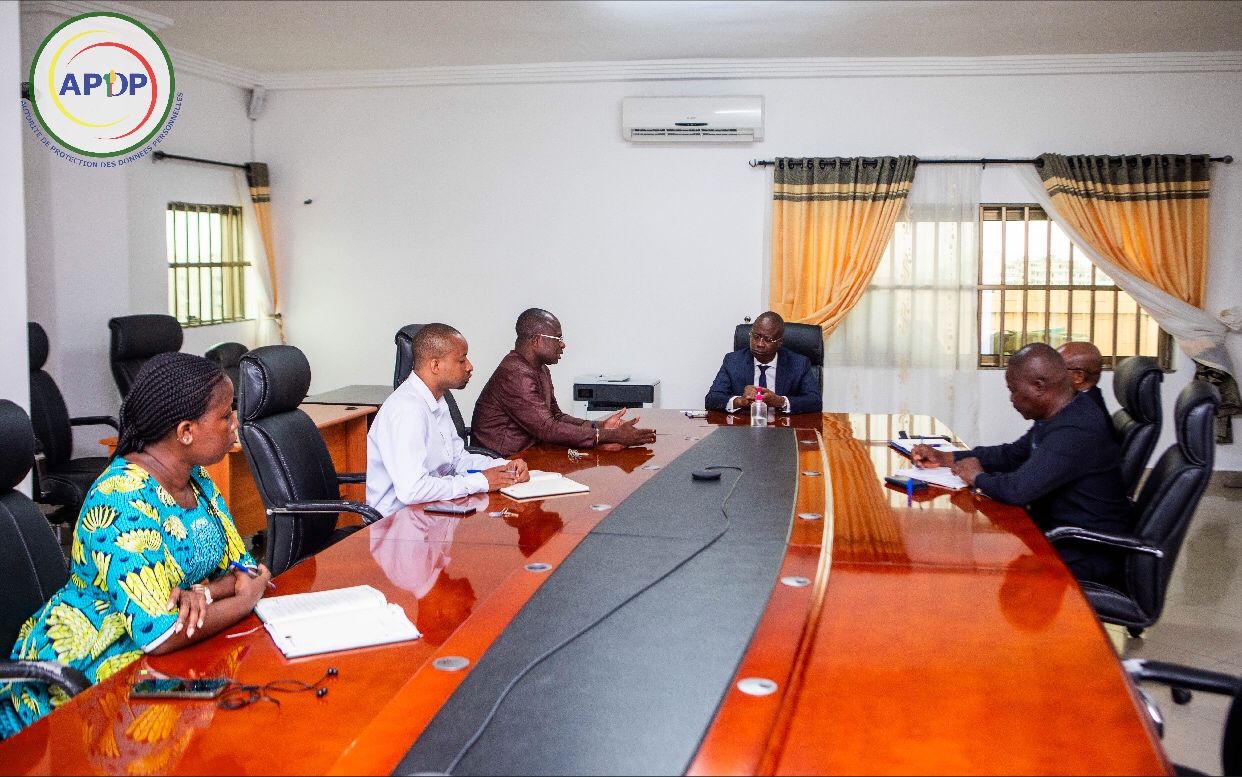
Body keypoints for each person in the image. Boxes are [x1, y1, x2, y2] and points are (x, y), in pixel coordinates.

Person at [1, 353, 271, 738]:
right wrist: (243, 599)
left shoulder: (195, 480)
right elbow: (161, 634)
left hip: (151, 656)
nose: (235, 425)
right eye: (226, 416)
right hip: (87, 673)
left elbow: (245, 567)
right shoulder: (120, 499)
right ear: (186, 431)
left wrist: (204, 593)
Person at [910, 342, 1132, 584]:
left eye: (1014, 390)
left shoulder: (1076, 428)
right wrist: (948, 457)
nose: (1011, 399)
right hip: (1058, 535)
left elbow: (1018, 490)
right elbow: (1012, 454)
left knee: (967, 571)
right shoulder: (1059, 413)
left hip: (1084, 551)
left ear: (1039, 386)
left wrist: (976, 477)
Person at [367, 323, 530, 516]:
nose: (469, 366)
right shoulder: (406, 409)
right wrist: (481, 481)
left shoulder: (438, 401)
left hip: (431, 514)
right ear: (435, 365)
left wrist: (503, 467)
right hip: (395, 526)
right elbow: (413, 490)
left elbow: (456, 460)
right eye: (461, 360)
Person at [471, 309, 657, 457]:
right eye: (558, 338)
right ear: (536, 340)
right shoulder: (515, 373)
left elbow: (556, 417)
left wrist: (599, 427)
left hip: (530, 454)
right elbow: (548, 429)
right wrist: (610, 436)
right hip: (503, 461)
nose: (563, 344)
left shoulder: (539, 369)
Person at [704, 311, 822, 415]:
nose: (759, 344)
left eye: (768, 339)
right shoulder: (733, 361)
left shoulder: (799, 363)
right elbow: (712, 399)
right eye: (756, 336)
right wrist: (740, 401)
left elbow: (815, 401)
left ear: (780, 342)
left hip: (783, 430)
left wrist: (780, 401)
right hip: (744, 430)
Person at [1058, 340, 1113, 425]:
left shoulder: (1080, 416)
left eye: (1056, 368)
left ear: (1078, 377)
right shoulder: (1086, 400)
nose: (1049, 373)